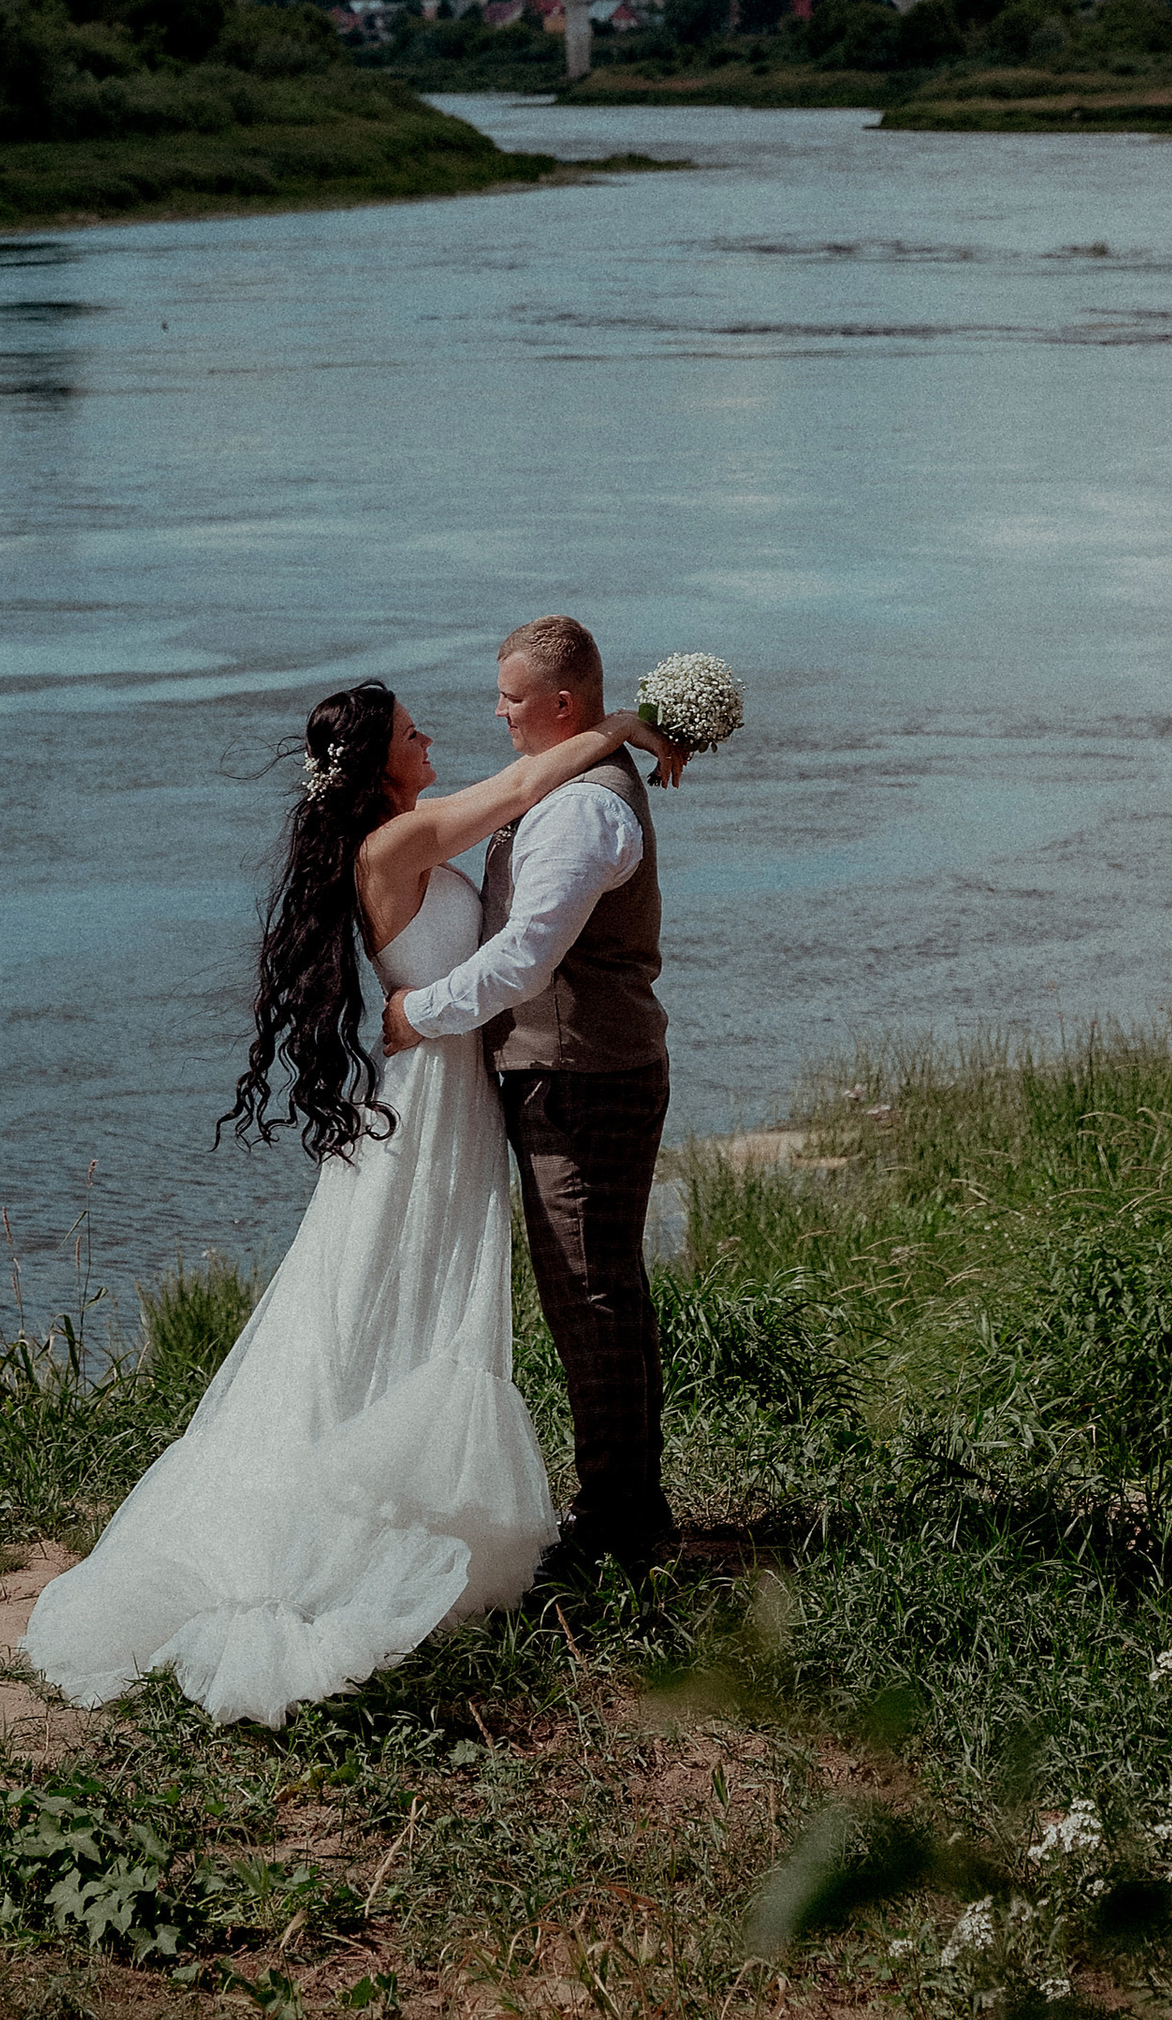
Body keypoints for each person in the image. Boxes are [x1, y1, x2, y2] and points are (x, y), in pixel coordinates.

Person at [20, 676, 631, 1728]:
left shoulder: (401, 834)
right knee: (388, 1291)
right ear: (379, 767)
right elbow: (525, 782)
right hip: (430, 1098)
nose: (431, 738)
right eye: (412, 734)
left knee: (397, 1290)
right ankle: (341, 1533)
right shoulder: (399, 841)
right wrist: (634, 724)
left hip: (443, 1087)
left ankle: (394, 1512)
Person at [382, 613, 690, 1604]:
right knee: (598, 1289)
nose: (498, 712)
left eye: (511, 699)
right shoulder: (560, 785)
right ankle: (630, 1507)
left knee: (590, 1293)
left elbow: (524, 960)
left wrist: (417, 1015)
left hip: (584, 1075)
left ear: (561, 703)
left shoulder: (583, 812)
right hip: (574, 1071)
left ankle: (619, 1523)